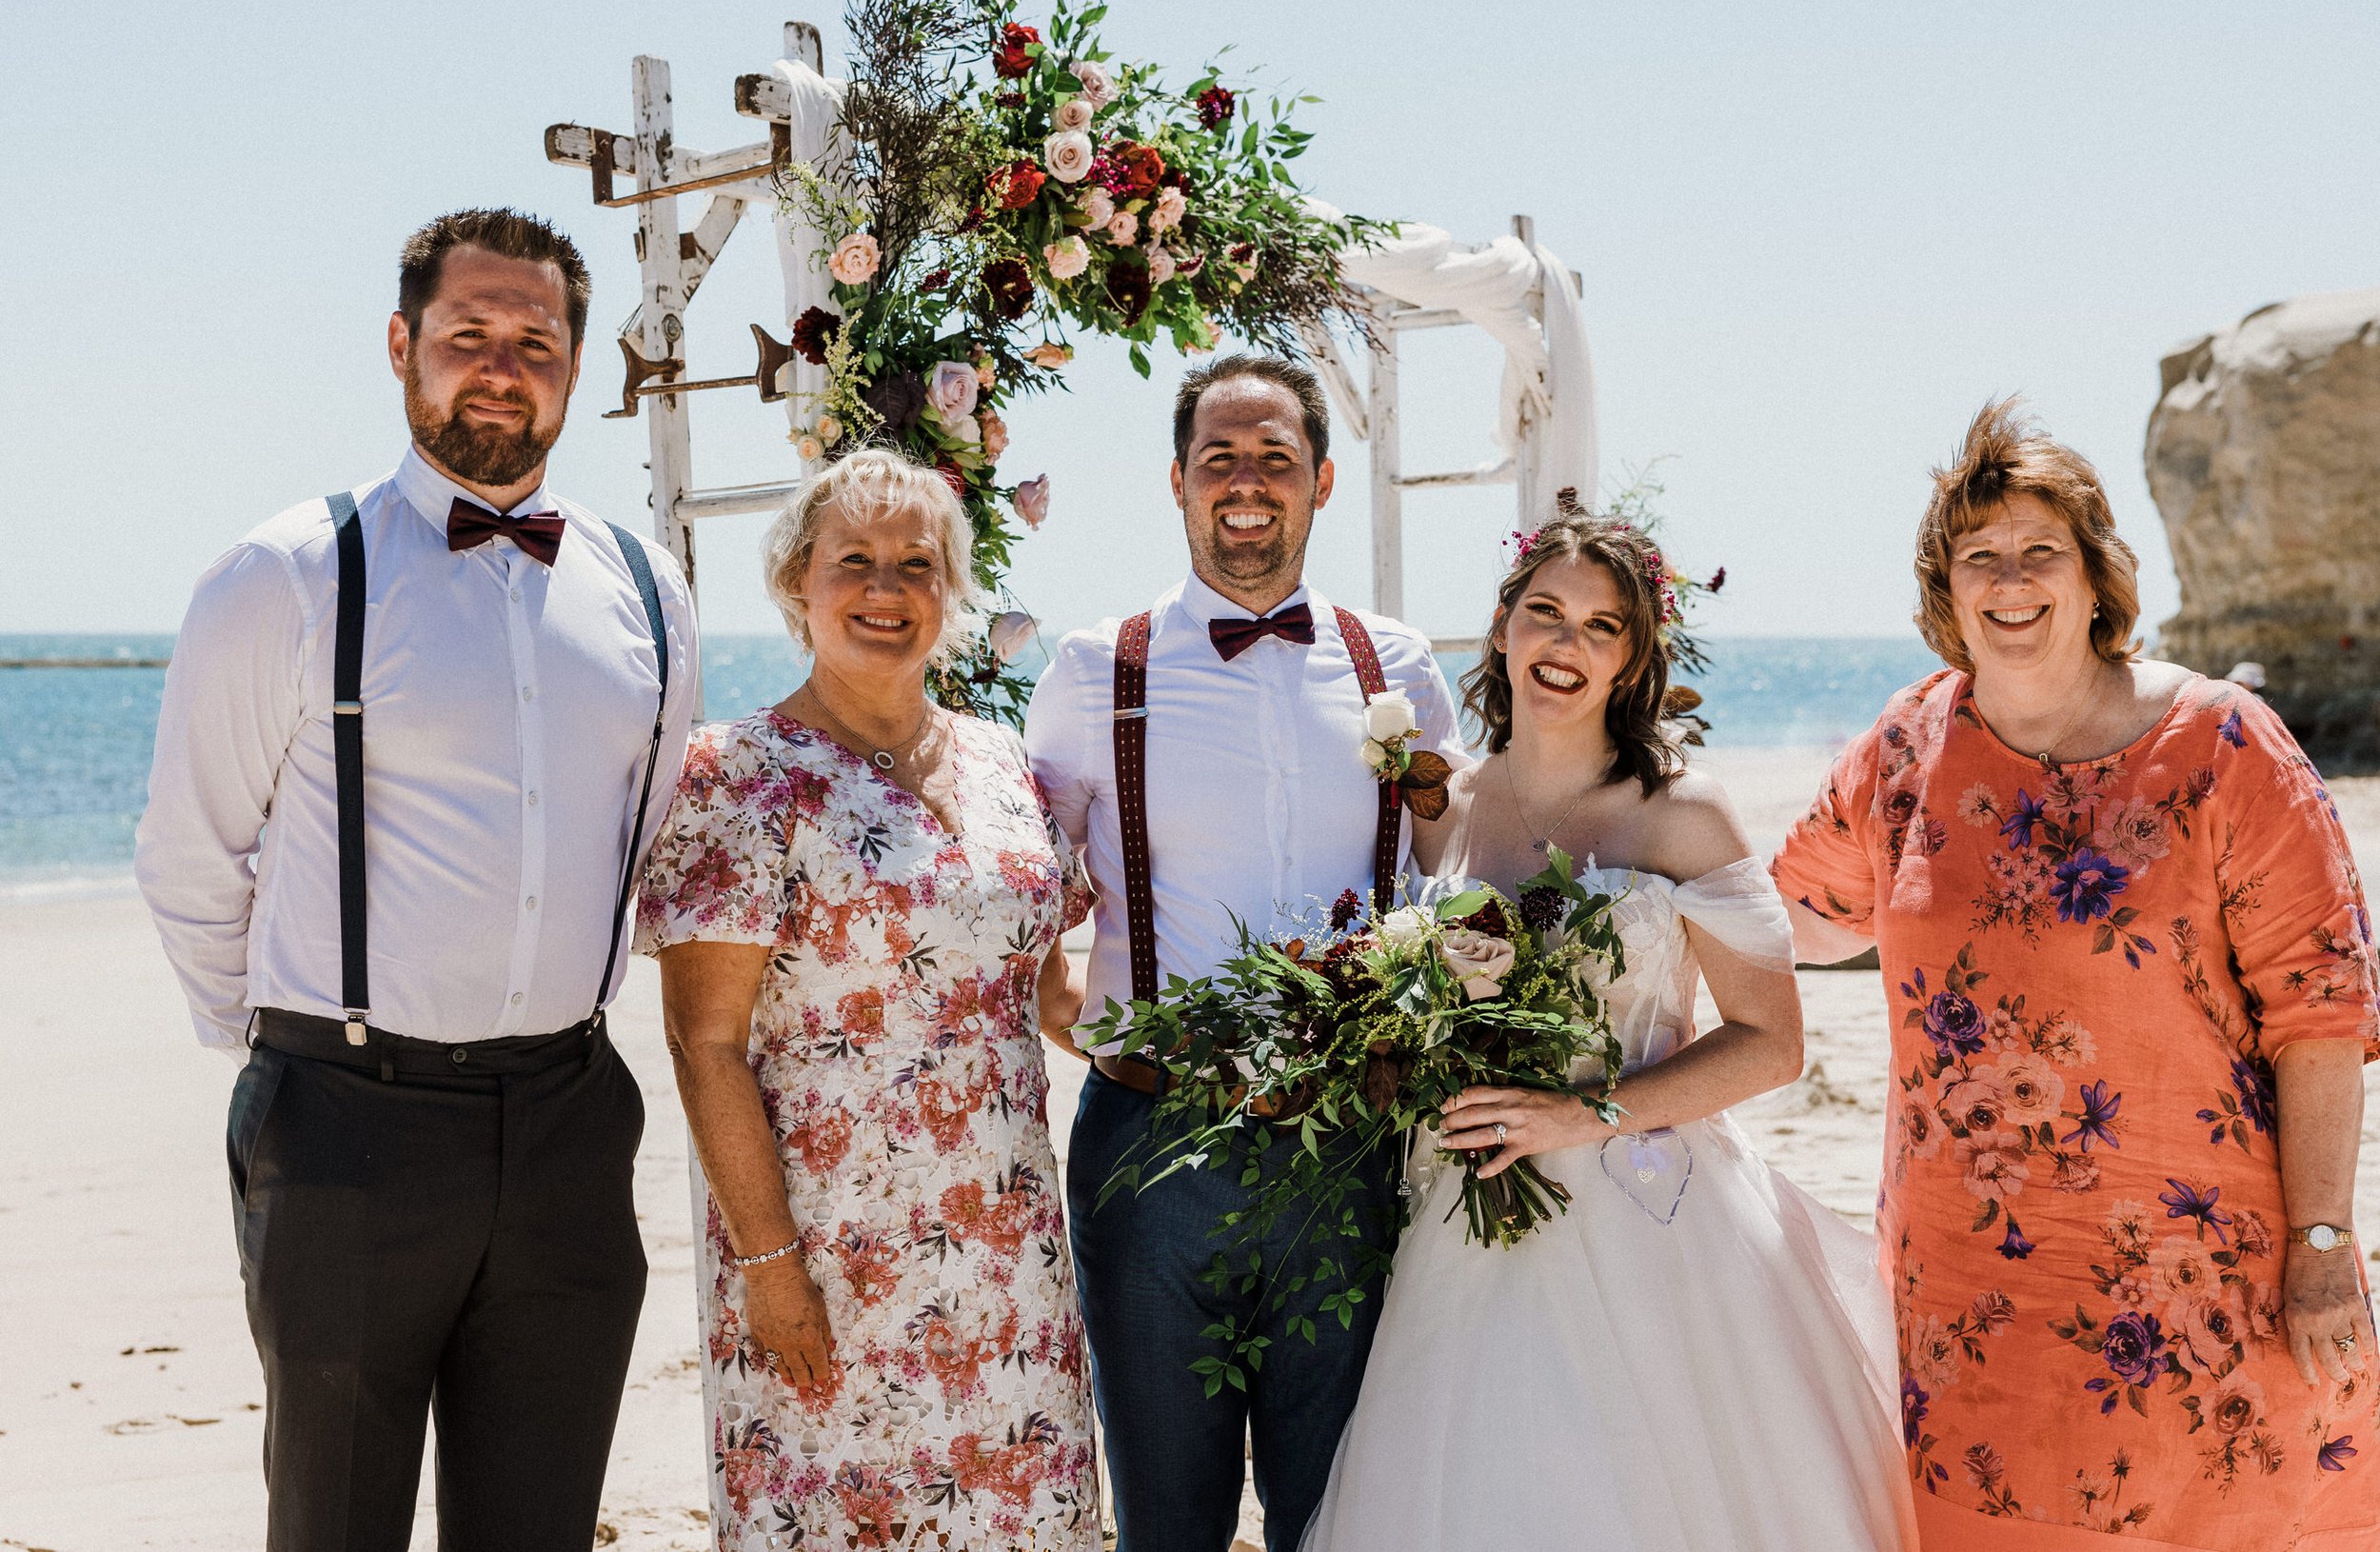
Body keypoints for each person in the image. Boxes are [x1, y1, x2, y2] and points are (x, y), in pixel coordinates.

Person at [134, 209, 697, 1550]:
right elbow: (189, 857)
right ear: (403, 346)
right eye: (467, 336)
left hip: (569, 1116)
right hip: (346, 1124)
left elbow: (648, 833)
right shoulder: (288, 572)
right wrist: (298, 1056)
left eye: (534, 341)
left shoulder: (645, 585)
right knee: (333, 1523)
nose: (500, 366)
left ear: (575, 366)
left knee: (540, 1522)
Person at [1773, 400, 2380, 1551]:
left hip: (2205, 1301)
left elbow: (2324, 1014)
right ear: (1944, 592)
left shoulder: (2224, 747)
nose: (2010, 580)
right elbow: (1787, 911)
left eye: (2039, 551)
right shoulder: (1904, 748)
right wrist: (1616, 876)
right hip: (1968, 1302)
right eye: (1979, 558)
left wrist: (2321, 1247)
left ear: (2095, 576)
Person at [1299, 508, 1917, 1551]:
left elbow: (1772, 1041)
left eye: (1599, 627)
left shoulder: (1682, 811)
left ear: (1632, 660)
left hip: (1655, 1216)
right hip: (1467, 1215)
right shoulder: (1446, 802)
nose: (1565, 645)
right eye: (1545, 613)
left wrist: (1581, 1114)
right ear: (1500, 627)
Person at [1025, 353, 1465, 1552]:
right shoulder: (1089, 669)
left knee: (1337, 1510)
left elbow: (1461, 873)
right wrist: (1079, 1010)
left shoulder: (1399, 665)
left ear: (1322, 480)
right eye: (1218, 456)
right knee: (1167, 1514)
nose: (1246, 481)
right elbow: (1016, 889)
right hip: (1152, 1147)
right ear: (1176, 482)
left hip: (1351, 1149)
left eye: (1275, 457)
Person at [636, 448, 1100, 1550]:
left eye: (916, 563)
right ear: (799, 582)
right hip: (829, 1258)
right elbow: (704, 1044)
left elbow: (1044, 988)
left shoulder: (1005, 765)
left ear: (952, 589)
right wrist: (769, 1265)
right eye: (854, 561)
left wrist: (1206, 1052)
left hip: (1008, 1255)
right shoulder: (738, 773)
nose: (886, 590)